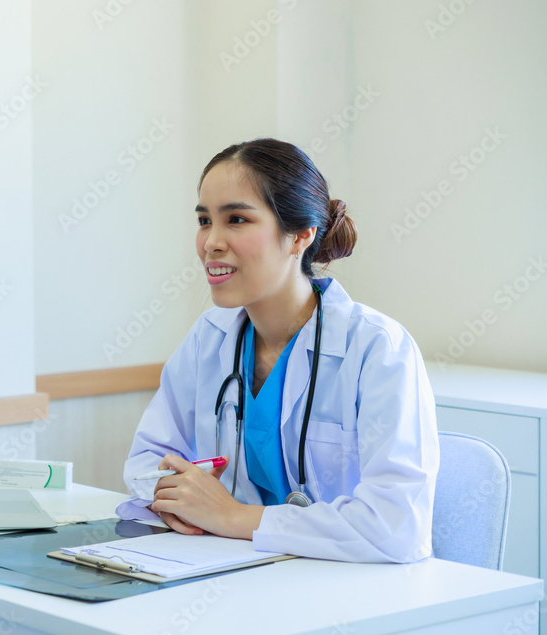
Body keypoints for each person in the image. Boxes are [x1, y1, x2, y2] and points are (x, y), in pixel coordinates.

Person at [118, 138, 439, 563]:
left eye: (236, 219)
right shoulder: (210, 337)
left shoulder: (378, 349)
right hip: (234, 571)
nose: (211, 241)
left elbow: (394, 526)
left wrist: (231, 516)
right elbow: (147, 461)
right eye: (203, 219)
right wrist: (179, 501)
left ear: (300, 235)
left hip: (349, 590)